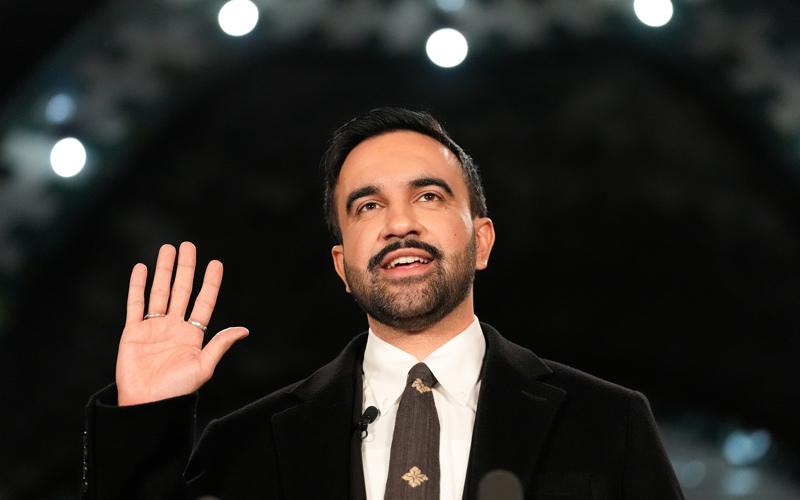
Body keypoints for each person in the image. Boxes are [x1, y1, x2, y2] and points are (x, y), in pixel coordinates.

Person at [82, 108, 684, 499]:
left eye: (427, 195)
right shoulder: (245, 446)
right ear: (343, 265)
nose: (399, 224)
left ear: (482, 241)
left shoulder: (607, 424)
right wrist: (143, 419)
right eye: (367, 206)